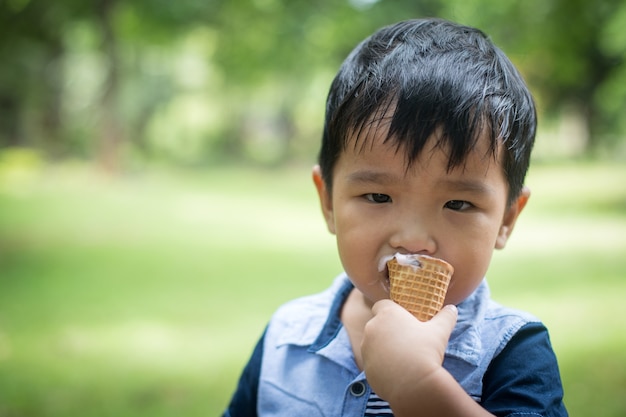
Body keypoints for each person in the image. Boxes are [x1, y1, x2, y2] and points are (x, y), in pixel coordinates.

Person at [223, 18, 568, 417]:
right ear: (329, 202)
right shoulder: (285, 340)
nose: (413, 239)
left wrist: (421, 389)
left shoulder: (512, 350)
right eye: (377, 196)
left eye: (457, 204)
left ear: (507, 219)